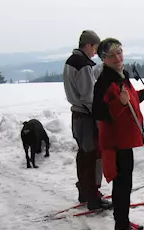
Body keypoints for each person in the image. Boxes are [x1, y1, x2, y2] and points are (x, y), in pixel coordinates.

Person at [92, 38, 144, 230]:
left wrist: (143, 94)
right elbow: (99, 112)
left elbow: (129, 99)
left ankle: (124, 222)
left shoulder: (120, 76)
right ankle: (122, 228)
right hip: (116, 143)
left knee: (124, 184)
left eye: (119, 52)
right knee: (121, 186)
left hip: (124, 140)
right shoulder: (105, 81)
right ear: (104, 59)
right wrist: (119, 103)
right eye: (112, 55)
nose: (118, 57)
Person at [63, 30, 112, 210]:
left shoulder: (70, 61)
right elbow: (88, 96)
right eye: (95, 48)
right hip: (86, 116)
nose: (95, 53)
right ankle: (93, 198)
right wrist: (100, 115)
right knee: (92, 156)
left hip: (77, 115)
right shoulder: (83, 65)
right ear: (89, 45)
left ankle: (84, 192)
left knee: (83, 155)